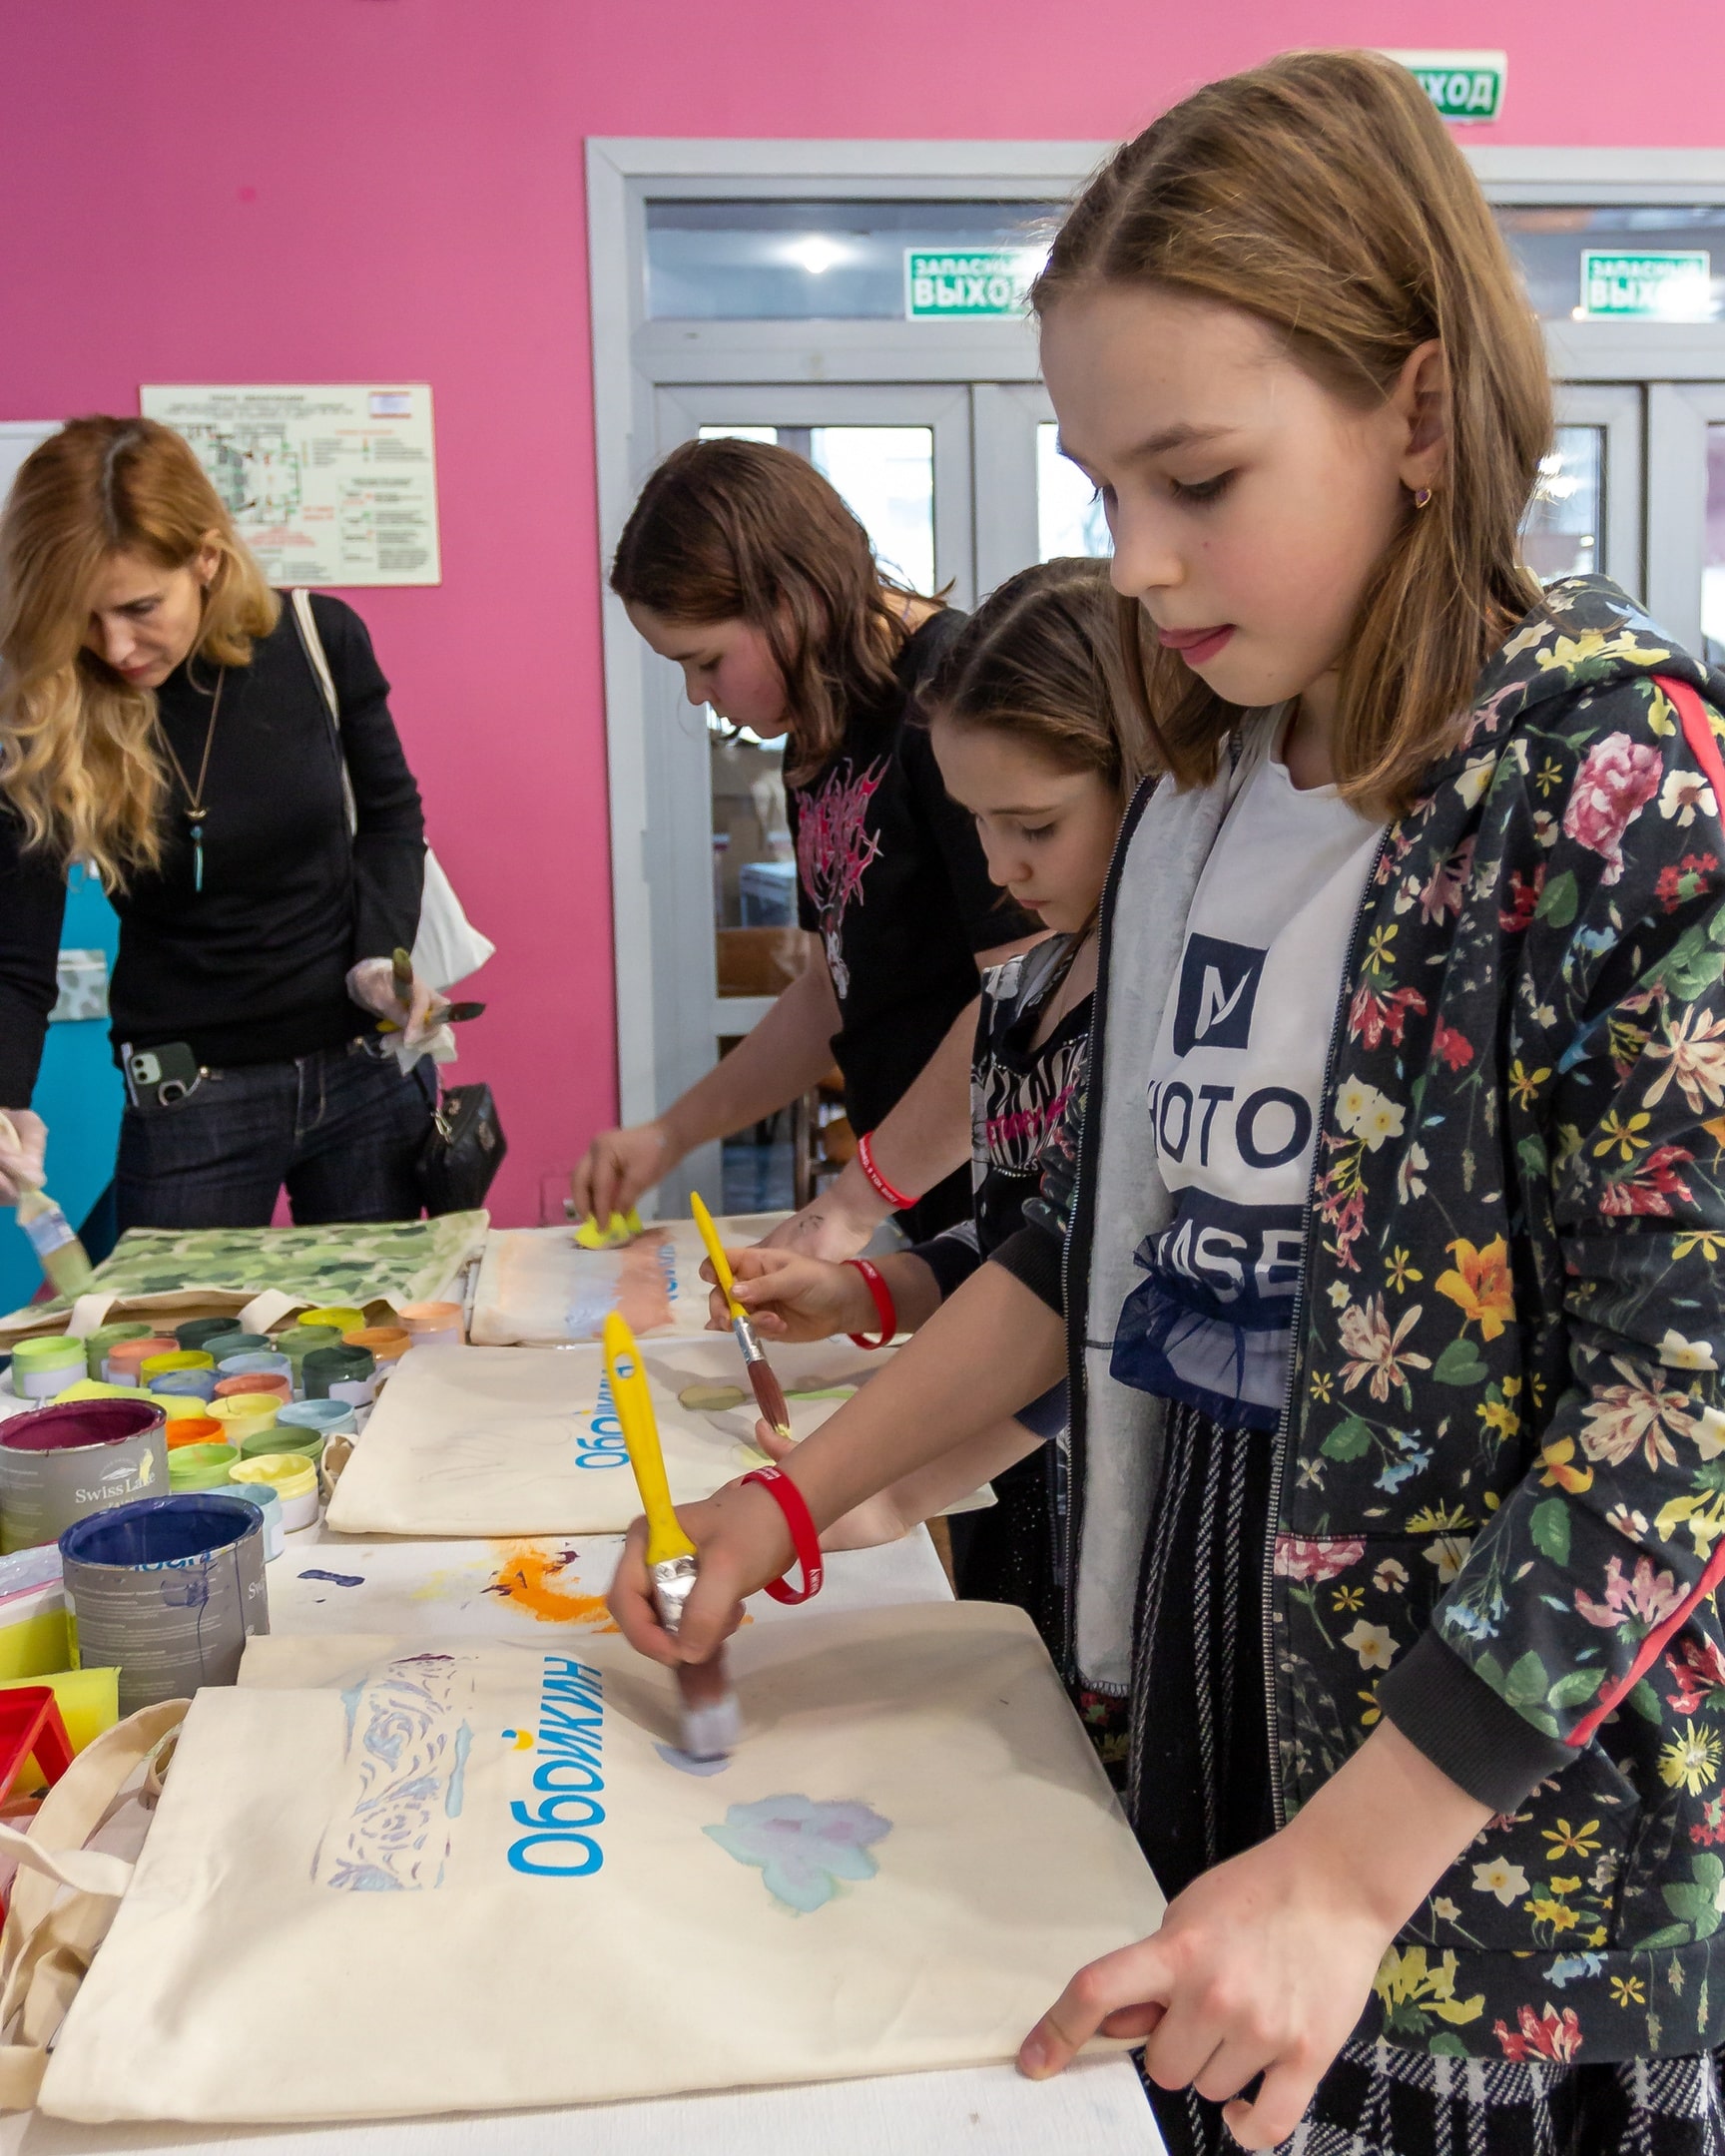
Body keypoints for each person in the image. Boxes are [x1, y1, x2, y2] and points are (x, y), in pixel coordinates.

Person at [611, 50, 1725, 2155]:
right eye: (1101, 489)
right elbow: (1098, 1251)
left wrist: (1351, 1868)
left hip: (1486, 1823)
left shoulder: (1611, 784)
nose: (1132, 562)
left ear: (1417, 412)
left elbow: (1679, 1403)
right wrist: (790, 1504)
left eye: (1195, 480)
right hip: (1226, 1662)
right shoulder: (1208, 786)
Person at [711, 557, 1137, 1628]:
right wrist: (869, 1294)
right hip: (998, 1487)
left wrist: (892, 1491)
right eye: (976, 822)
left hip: (1106, 1522)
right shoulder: (1020, 992)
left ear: (1144, 780)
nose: (998, 870)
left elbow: (1084, 1306)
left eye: (1033, 826)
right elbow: (1011, 1240)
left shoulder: (1151, 1012)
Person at [575, 437, 1042, 1248]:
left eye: (706, 661)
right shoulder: (819, 734)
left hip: (1013, 1205)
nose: (698, 694)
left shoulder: (953, 694)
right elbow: (834, 988)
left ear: (789, 601)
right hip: (921, 1203)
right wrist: (671, 1134)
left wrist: (853, 1201)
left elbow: (1024, 992)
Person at [0, 417, 443, 1232]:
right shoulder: (50, 705)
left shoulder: (318, 639)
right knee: (171, 1318)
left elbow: (390, 817)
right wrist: (4, 1098)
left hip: (363, 1074)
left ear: (206, 558)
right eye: (83, 618)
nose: (116, 647)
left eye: (140, 607)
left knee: (385, 1315)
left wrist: (380, 958)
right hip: (189, 1096)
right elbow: (15, 949)